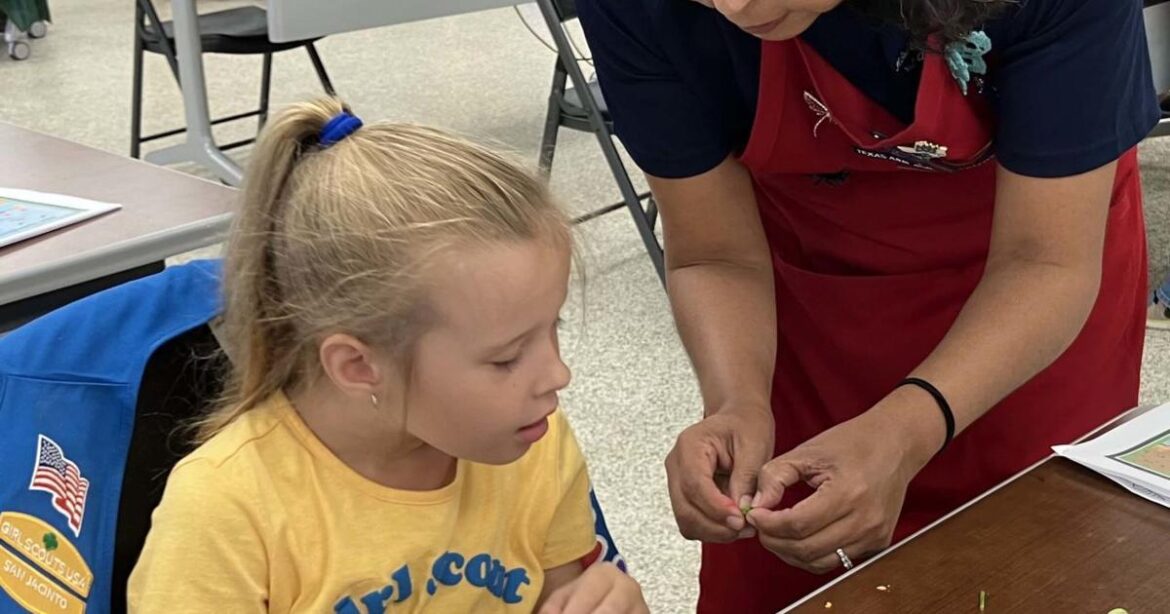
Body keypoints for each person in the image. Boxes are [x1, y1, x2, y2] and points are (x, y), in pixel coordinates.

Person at [576, 0, 1157, 609]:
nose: (737, 7)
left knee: (1035, 566)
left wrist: (908, 428)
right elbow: (714, 254)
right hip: (813, 309)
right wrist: (736, 400)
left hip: (1030, 315)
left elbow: (1045, 260)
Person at [127, 98, 648, 614]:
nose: (558, 374)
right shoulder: (226, 512)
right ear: (358, 366)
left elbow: (557, 591)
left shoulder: (533, 443)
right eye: (507, 358)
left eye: (550, 327)